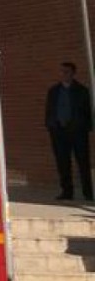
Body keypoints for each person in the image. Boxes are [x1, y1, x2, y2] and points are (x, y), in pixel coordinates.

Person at [45, 61, 93, 201]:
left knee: (83, 162)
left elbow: (87, 111)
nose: (64, 74)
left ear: (73, 73)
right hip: (59, 132)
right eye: (62, 72)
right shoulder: (54, 91)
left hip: (78, 132)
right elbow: (49, 110)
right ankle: (67, 192)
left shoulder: (82, 90)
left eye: (67, 72)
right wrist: (50, 125)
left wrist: (85, 127)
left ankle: (88, 192)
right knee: (63, 163)